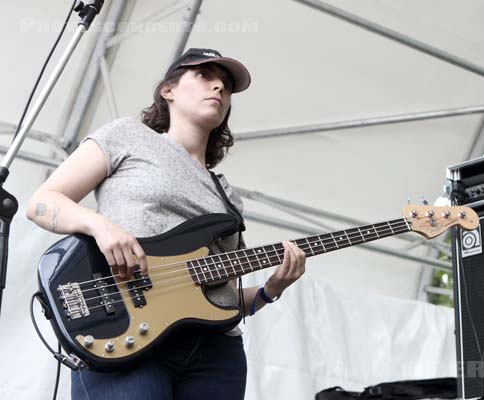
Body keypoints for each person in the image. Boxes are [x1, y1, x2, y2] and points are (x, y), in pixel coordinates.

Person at [26, 48, 306, 400]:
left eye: (226, 86)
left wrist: (271, 289)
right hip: (124, 328)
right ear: (168, 90)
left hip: (216, 355)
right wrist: (99, 225)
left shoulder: (229, 199)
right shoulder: (127, 136)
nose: (219, 87)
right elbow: (41, 203)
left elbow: (222, 298)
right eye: (205, 76)